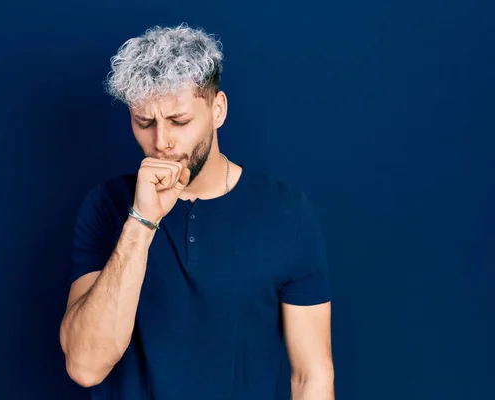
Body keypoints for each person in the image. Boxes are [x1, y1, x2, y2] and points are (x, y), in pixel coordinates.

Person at [59, 23, 334, 400]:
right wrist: (142, 221)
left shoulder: (287, 213)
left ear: (217, 109)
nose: (162, 143)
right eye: (144, 123)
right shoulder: (106, 205)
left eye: (179, 121)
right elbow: (86, 366)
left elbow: (311, 376)